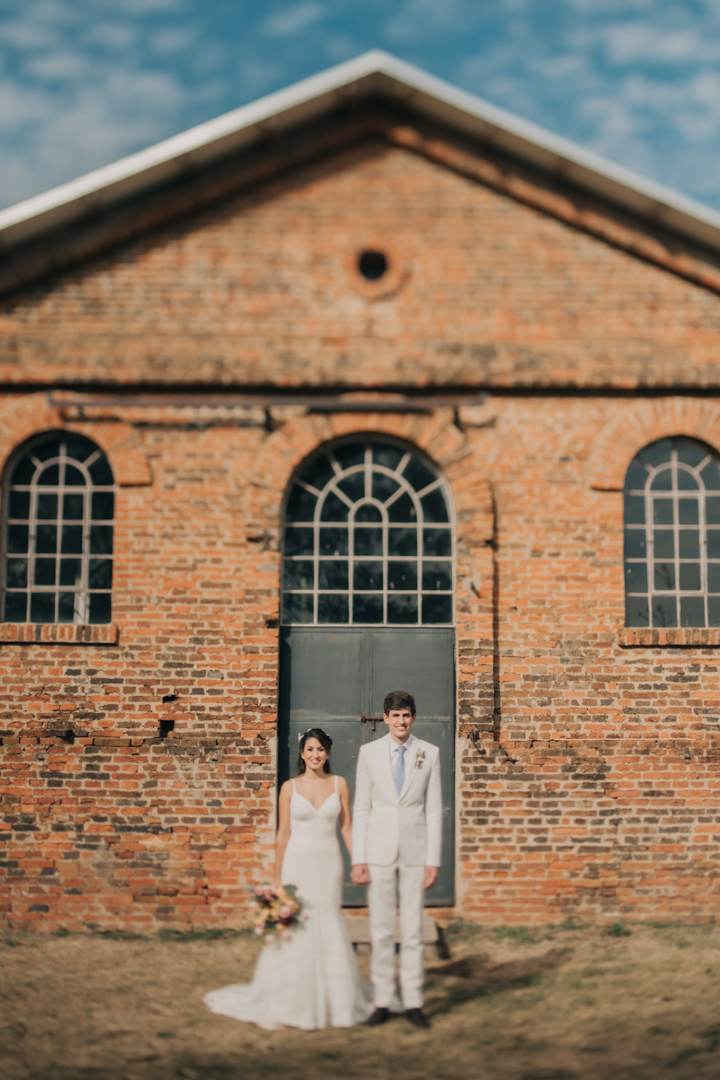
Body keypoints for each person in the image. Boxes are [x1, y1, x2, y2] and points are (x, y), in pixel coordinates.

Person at [203, 728, 373, 1030]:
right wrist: (277, 875)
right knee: (297, 923)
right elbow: (283, 834)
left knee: (328, 920)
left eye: (320, 749)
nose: (315, 755)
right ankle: (291, 999)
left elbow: (347, 827)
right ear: (302, 753)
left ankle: (336, 997)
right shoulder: (289, 788)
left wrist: (358, 860)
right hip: (298, 862)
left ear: (328, 753)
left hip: (328, 861)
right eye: (310, 749)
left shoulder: (339, 784)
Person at [351, 690, 442, 1029]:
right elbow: (361, 807)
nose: (401, 721)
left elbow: (433, 808)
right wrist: (359, 858)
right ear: (385, 718)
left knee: (414, 928)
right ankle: (383, 1000)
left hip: (416, 851)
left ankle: (415, 1001)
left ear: (413, 718)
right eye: (395, 715)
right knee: (382, 928)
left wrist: (433, 859)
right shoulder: (368, 753)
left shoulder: (428, 753)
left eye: (407, 715)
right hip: (378, 852)